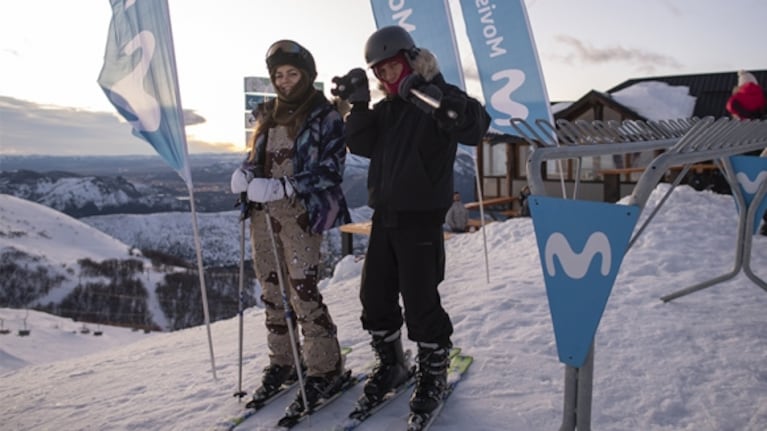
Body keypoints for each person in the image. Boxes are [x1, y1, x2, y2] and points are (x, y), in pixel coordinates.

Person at [331, 26, 490, 416]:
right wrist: (359, 105)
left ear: (411, 60)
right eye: (379, 72)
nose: (386, 77)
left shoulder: (437, 95)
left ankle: (433, 367)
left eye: (392, 67)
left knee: (420, 301)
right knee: (374, 297)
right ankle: (393, 364)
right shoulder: (387, 110)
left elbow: (475, 125)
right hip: (385, 216)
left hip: (421, 218)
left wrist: (436, 101)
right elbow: (362, 145)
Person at [229, 39, 351, 414]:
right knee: (271, 290)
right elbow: (259, 158)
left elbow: (332, 170)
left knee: (302, 291)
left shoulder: (325, 116)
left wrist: (287, 185)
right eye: (278, 75)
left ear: (307, 76)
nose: (284, 81)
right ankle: (283, 362)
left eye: (291, 74)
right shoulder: (268, 114)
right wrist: (245, 172)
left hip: (300, 214)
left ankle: (324, 368)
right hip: (263, 215)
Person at [725, 70, 767, 235]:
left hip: (747, 145)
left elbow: (733, 114)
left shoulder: (736, 100)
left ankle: (759, 220)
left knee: (755, 185)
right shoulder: (763, 95)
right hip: (763, 140)